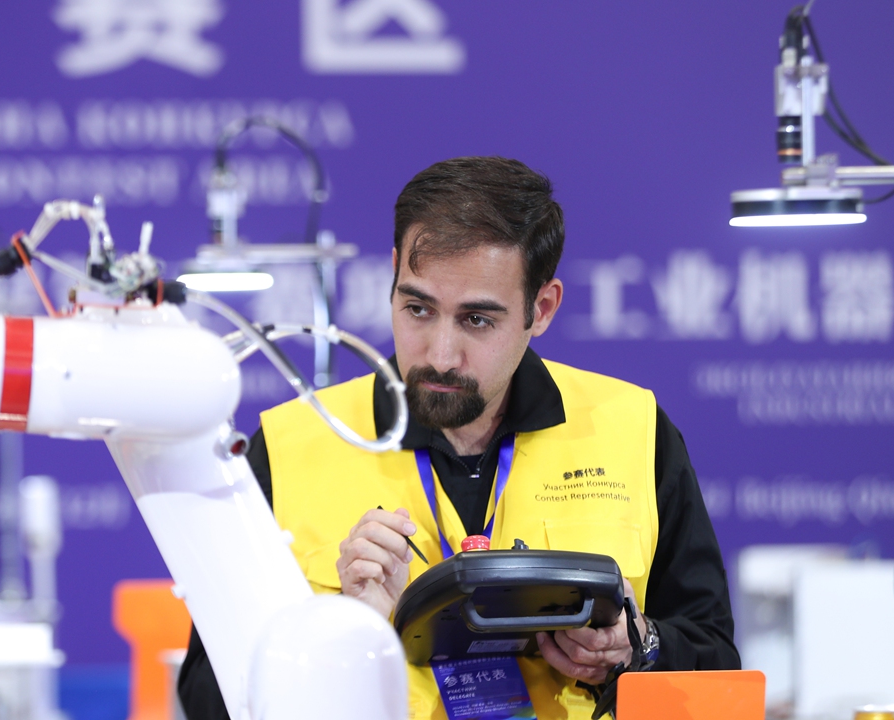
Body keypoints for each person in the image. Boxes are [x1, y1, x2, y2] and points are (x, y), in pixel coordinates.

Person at [179, 156, 738, 719]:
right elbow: (206, 696)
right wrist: (343, 638)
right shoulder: (290, 443)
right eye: (417, 308)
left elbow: (716, 662)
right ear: (393, 274)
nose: (440, 356)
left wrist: (635, 646)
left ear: (540, 308)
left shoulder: (633, 428)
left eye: (477, 320)